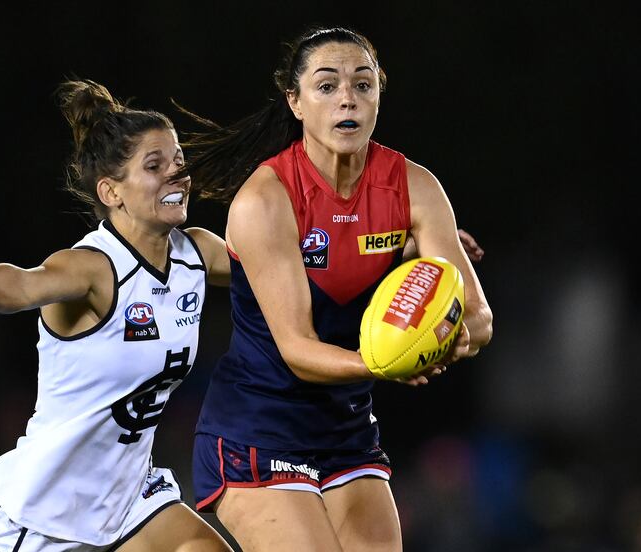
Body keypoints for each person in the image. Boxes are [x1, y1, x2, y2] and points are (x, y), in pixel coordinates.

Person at [180, 27, 494, 552]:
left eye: (363, 84)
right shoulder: (265, 198)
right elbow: (298, 351)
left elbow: (477, 315)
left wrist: (447, 335)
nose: (347, 96)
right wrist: (391, 359)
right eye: (327, 86)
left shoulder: (414, 185)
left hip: (346, 431)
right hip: (257, 429)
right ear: (296, 103)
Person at [0, 79, 233, 552]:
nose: (177, 174)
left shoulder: (198, 253)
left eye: (178, 161)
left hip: (129, 497)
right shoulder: (94, 266)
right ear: (111, 191)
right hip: (44, 512)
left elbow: (282, 272)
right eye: (155, 166)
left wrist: (371, 244)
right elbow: (24, 283)